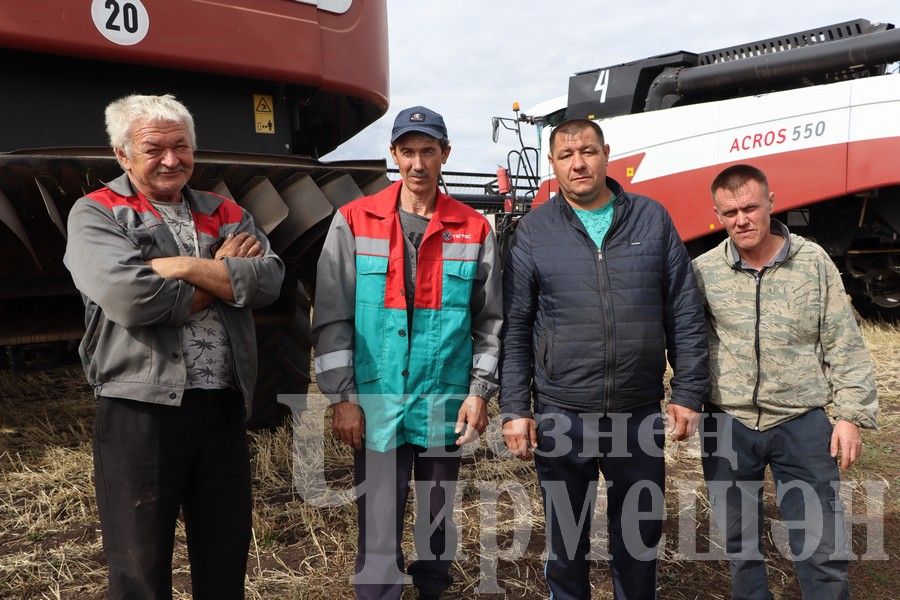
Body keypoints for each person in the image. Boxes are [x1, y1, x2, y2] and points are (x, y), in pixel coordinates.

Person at [64, 94, 285, 599]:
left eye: (181, 146)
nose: (171, 160)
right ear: (122, 155)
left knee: (225, 558)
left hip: (223, 405)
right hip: (140, 410)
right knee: (139, 568)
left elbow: (270, 279)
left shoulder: (222, 208)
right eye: (153, 149)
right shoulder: (97, 212)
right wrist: (227, 273)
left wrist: (182, 266)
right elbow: (134, 298)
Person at [500, 118, 709, 600]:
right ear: (553, 163)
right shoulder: (533, 231)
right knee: (565, 538)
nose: (579, 163)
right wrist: (516, 408)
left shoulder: (651, 219)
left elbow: (683, 310)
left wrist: (688, 392)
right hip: (561, 413)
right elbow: (516, 326)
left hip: (636, 414)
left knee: (637, 537)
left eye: (588, 152)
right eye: (567, 155)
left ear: (606, 154)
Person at [311, 105, 502, 599]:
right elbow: (332, 317)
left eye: (429, 151)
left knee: (437, 518)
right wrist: (343, 398)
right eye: (408, 151)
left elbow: (490, 321)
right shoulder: (354, 220)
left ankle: (433, 590)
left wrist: (479, 393)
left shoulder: (475, 228)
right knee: (378, 523)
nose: (418, 163)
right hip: (376, 402)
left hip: (445, 400)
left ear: (445, 155)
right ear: (393, 155)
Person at [693, 164, 877, 600]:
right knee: (741, 548)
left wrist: (850, 416)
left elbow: (843, 342)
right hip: (728, 424)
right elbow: (687, 344)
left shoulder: (812, 263)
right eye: (729, 212)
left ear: (772, 203)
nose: (741, 220)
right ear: (717, 215)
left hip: (802, 422)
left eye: (750, 208)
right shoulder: (703, 272)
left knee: (821, 548)